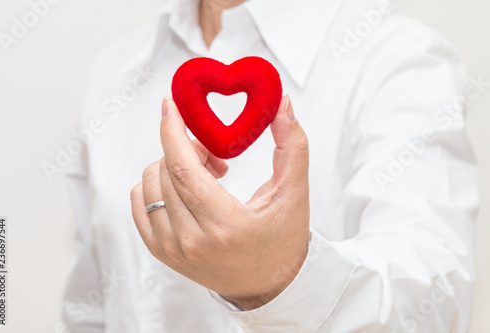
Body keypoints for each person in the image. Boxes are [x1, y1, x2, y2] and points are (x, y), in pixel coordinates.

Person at [63, 0, 480, 332]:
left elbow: (436, 306)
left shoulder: (399, 58)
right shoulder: (114, 73)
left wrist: (277, 280)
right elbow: (89, 309)